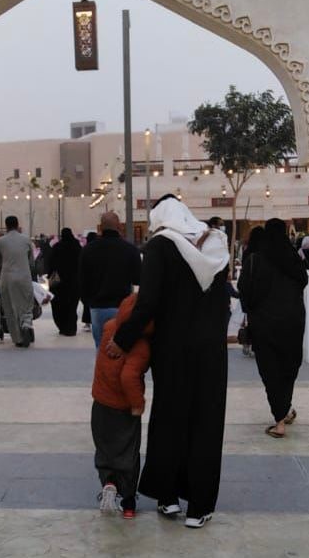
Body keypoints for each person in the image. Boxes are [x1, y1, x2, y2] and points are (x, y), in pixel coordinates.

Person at [106, 195, 230, 529]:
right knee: (206, 423)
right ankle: (200, 507)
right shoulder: (215, 243)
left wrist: (122, 340)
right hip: (210, 352)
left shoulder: (160, 246)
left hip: (172, 350)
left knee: (170, 419)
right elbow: (223, 302)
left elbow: (147, 303)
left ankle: (168, 496)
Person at [237, 218, 308, 439]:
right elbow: (303, 281)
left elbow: (244, 290)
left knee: (270, 370)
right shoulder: (292, 257)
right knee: (288, 366)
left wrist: (252, 308)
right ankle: (284, 409)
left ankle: (279, 420)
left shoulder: (256, 260)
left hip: (264, 324)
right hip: (293, 321)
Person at [92, 293, 152, 519]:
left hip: (100, 402)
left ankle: (108, 484)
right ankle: (128, 504)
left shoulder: (109, 327)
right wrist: (137, 404)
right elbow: (128, 377)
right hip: (123, 408)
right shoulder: (141, 345)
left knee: (105, 450)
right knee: (128, 453)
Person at [79, 212, 141, 348]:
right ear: (119, 226)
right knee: (120, 347)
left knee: (101, 346)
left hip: (97, 306)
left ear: (101, 227)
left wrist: (88, 301)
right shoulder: (130, 249)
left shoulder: (88, 250)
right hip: (121, 305)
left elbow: (82, 280)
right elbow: (138, 279)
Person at [0, 216, 35, 348]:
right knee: (27, 304)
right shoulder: (26, 239)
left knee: (10, 308)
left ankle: (18, 338)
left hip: (7, 278)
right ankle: (26, 324)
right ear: (18, 225)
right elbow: (31, 261)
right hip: (24, 276)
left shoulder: (0, 241)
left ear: (6, 226)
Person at [48, 228, 82, 336]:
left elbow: (51, 265)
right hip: (74, 281)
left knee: (58, 305)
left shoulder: (57, 247)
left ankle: (62, 326)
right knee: (72, 305)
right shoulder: (77, 247)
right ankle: (71, 327)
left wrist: (50, 278)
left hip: (58, 282)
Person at [239, 226, 265, 357]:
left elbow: (244, 275)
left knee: (251, 320)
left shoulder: (247, 252)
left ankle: (249, 343)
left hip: (250, 293)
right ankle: (259, 345)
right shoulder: (266, 253)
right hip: (263, 293)